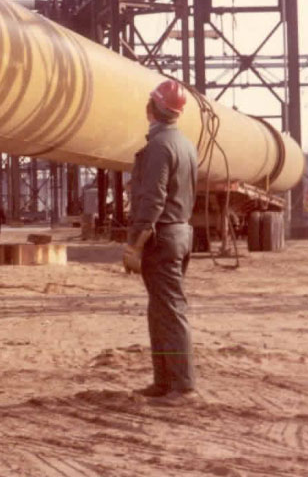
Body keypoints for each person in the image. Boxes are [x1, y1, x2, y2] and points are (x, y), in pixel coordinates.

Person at [123, 79, 199, 403]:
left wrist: (135, 245)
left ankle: (182, 386)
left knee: (170, 309)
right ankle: (164, 381)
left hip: (162, 236)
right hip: (180, 232)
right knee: (160, 310)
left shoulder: (159, 147)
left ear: (152, 108)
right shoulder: (185, 144)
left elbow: (153, 199)